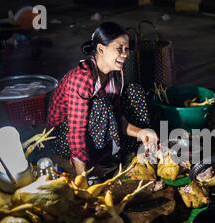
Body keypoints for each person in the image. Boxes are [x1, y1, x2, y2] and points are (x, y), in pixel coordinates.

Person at [46, 22, 158, 175]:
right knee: (101, 104)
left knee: (134, 91)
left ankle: (136, 153)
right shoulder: (82, 78)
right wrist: (82, 180)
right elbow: (76, 132)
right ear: (100, 49)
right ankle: (97, 162)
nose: (125, 54)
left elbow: (117, 117)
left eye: (126, 49)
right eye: (119, 49)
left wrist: (140, 132)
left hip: (97, 131)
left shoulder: (116, 74)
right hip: (64, 140)